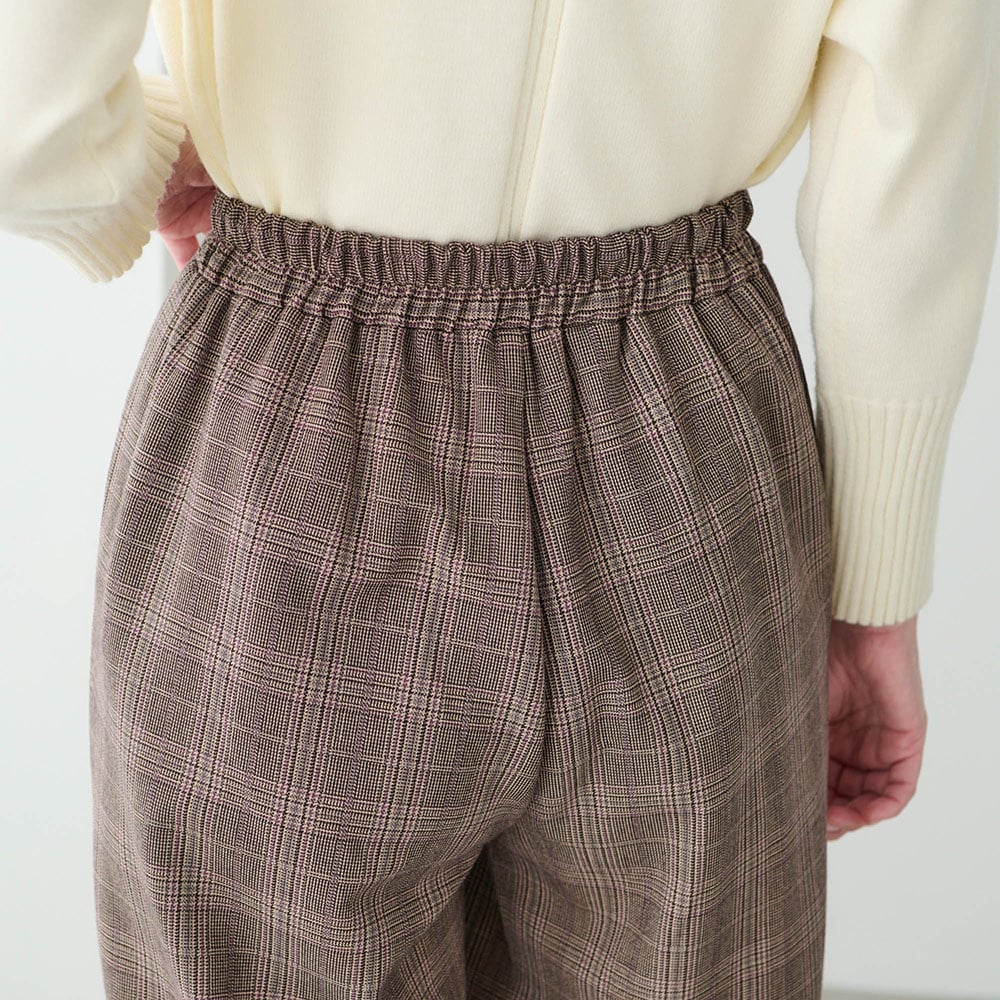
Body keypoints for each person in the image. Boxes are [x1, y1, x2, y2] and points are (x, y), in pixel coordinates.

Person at [0, 2, 996, 997]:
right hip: (682, 432)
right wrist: (873, 589)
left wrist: (147, 156)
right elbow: (913, 116)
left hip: (288, 438)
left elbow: (29, 131)